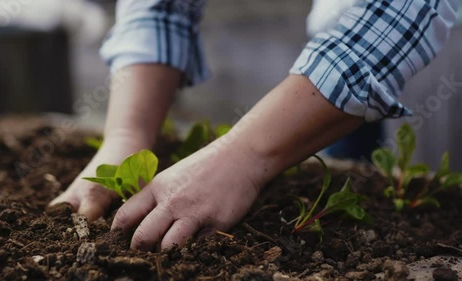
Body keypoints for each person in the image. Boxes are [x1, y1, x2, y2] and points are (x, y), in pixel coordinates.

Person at [50, 0, 459, 251]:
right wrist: (127, 135)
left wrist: (241, 157)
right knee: (338, 166)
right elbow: (161, 7)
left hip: (433, 45)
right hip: (343, 46)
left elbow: (397, 18)